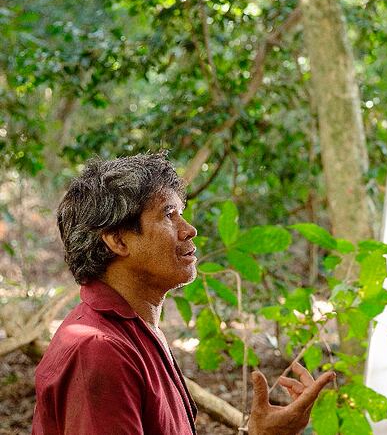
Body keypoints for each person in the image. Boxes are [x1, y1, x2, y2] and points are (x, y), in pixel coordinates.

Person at [31, 152, 334, 434]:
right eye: (169, 214)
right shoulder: (97, 350)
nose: (189, 229)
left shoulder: (135, 330)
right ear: (117, 240)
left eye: (181, 214)